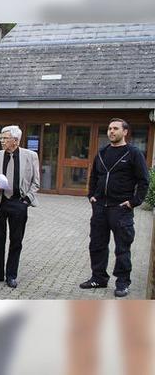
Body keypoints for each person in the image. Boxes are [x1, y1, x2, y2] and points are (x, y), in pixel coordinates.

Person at [80, 118, 149, 298]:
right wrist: (92, 196)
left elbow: (144, 180)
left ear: (125, 132)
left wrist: (134, 202)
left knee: (122, 248)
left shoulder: (133, 153)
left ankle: (122, 283)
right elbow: (94, 176)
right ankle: (98, 278)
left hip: (121, 209)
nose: (111, 131)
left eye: (115, 129)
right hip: (100, 208)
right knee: (97, 245)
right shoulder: (102, 153)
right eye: (109, 128)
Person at [0, 125, 40, 289]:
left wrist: (26, 201)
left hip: (18, 203)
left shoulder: (31, 156)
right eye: (1, 138)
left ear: (15, 140)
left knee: (16, 241)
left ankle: (11, 275)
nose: (1, 141)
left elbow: (36, 182)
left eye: (4, 138)